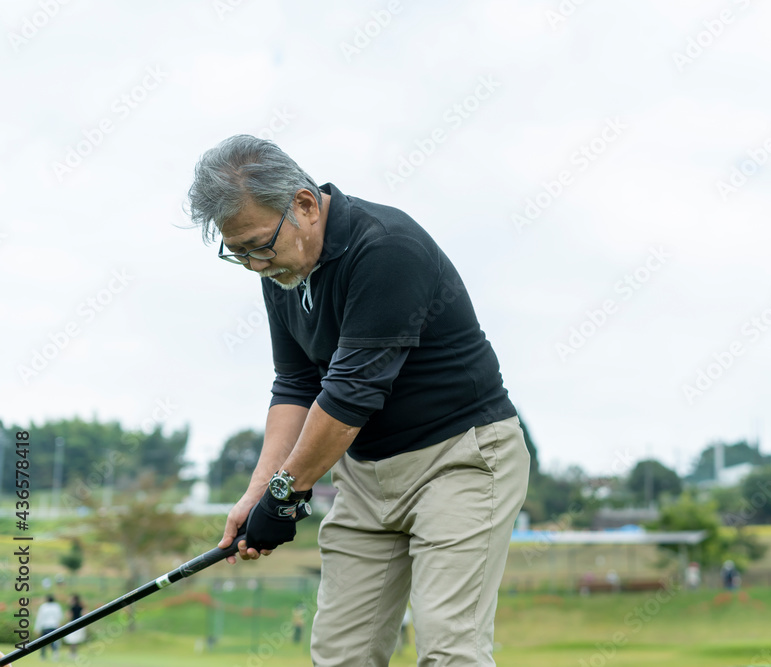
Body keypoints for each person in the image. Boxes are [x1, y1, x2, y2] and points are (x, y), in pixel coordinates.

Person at [188, 135, 530, 666]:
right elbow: (296, 384)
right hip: (365, 476)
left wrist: (286, 492)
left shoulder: (387, 248)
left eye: (258, 246)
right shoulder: (282, 267)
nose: (254, 265)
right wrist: (260, 493)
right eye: (239, 254)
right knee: (341, 655)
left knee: (449, 649)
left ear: (305, 204)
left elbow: (350, 393)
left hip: (460, 460)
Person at [35, 595, 63, 661]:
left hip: (45, 626)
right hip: (54, 626)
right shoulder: (56, 606)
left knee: (43, 642)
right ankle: (55, 655)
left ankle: (43, 656)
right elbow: (60, 616)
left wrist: (37, 628)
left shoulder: (43, 607)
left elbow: (40, 618)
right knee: (54, 641)